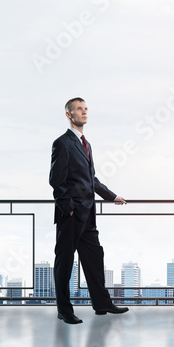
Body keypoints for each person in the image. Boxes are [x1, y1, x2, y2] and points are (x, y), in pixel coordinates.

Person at [50, 97, 129, 324]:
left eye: (86, 109)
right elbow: (56, 181)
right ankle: (64, 310)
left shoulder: (86, 144)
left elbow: (90, 179)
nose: (84, 112)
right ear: (69, 114)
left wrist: (111, 196)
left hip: (88, 215)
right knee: (64, 263)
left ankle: (102, 303)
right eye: (78, 109)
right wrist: (69, 208)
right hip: (72, 215)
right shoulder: (62, 143)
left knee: (94, 258)